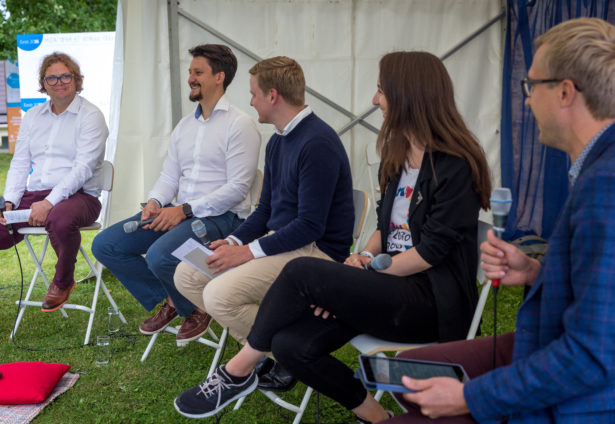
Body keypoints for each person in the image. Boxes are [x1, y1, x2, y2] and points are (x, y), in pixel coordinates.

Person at [174, 51, 492, 422]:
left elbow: (430, 253)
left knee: (304, 272)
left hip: (432, 301)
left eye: (380, 91)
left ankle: (236, 372)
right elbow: (384, 230)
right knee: (289, 345)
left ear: (408, 94)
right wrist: (362, 263)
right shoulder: (400, 154)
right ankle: (378, 418)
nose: (374, 101)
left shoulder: (455, 164)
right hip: (388, 287)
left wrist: (357, 279)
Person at [381, 17, 615, 424]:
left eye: (531, 86)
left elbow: (592, 354)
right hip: (542, 344)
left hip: (577, 397)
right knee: (409, 376)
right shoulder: (595, 170)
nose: (525, 101)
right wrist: (535, 272)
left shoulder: (605, 186)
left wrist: (471, 397)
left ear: (564, 92)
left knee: (414, 406)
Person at [173, 56, 354, 392]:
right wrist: (233, 240)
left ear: (273, 96)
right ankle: (274, 353)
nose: (251, 101)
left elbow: (310, 227)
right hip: (285, 241)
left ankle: (286, 353)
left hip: (318, 254)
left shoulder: (317, 143)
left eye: (254, 93)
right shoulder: (278, 140)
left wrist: (247, 253)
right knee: (186, 275)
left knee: (218, 296)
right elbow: (266, 208)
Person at [91, 44, 260, 343]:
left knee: (159, 255)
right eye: (190, 72)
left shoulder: (240, 125)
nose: (191, 78)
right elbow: (169, 175)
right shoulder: (185, 126)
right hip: (179, 212)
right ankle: (178, 300)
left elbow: (237, 189)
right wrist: (156, 201)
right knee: (107, 244)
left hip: (221, 219)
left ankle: (190, 302)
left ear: (219, 77)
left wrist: (183, 210)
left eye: (198, 72)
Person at [0, 52, 108, 349]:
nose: (59, 83)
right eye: (51, 78)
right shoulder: (33, 117)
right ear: (43, 83)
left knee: (59, 218)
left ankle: (62, 280)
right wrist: (8, 202)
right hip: (35, 196)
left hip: (81, 196)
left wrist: (50, 202)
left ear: (76, 80)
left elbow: (83, 168)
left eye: (65, 76)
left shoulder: (91, 116)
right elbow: (20, 164)